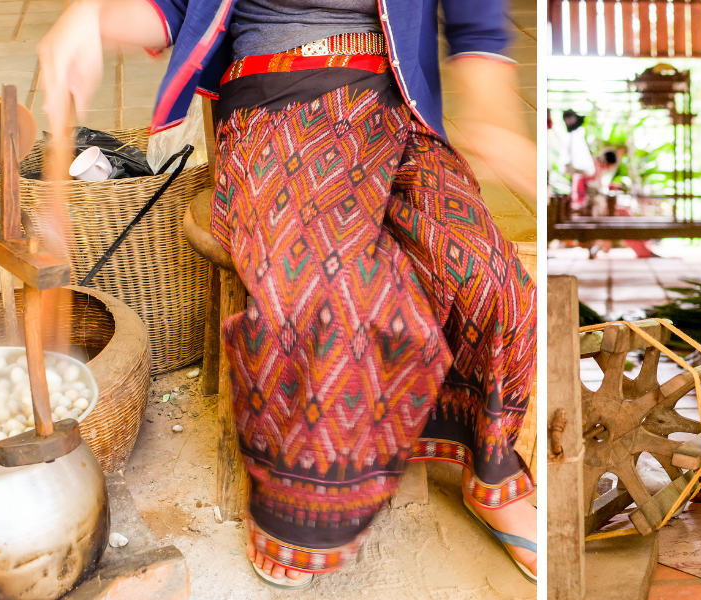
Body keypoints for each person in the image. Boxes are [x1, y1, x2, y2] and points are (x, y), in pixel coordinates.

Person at [37, 0, 537, 588]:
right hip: (274, 112)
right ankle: (301, 509)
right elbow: (168, 10)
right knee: (338, 299)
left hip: (396, 110)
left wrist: (496, 120)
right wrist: (88, 16)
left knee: (492, 279)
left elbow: (477, 26)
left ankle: (492, 468)